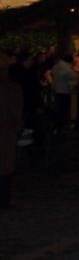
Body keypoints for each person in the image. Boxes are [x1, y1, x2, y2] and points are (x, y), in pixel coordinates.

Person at [0, 50, 24, 208]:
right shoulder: (11, 88)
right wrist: (18, 126)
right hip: (5, 131)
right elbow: (15, 112)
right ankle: (4, 199)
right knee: (4, 166)